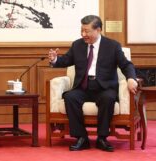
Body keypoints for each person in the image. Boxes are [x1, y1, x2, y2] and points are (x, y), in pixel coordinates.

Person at [48, 15, 138, 152]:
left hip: (104, 87)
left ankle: (102, 138)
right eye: (82, 30)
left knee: (108, 98)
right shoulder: (77, 45)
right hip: (83, 87)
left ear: (98, 30)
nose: (84, 34)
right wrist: (55, 60)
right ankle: (81, 138)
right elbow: (65, 61)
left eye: (87, 31)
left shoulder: (112, 46)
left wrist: (131, 78)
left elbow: (126, 65)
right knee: (70, 97)